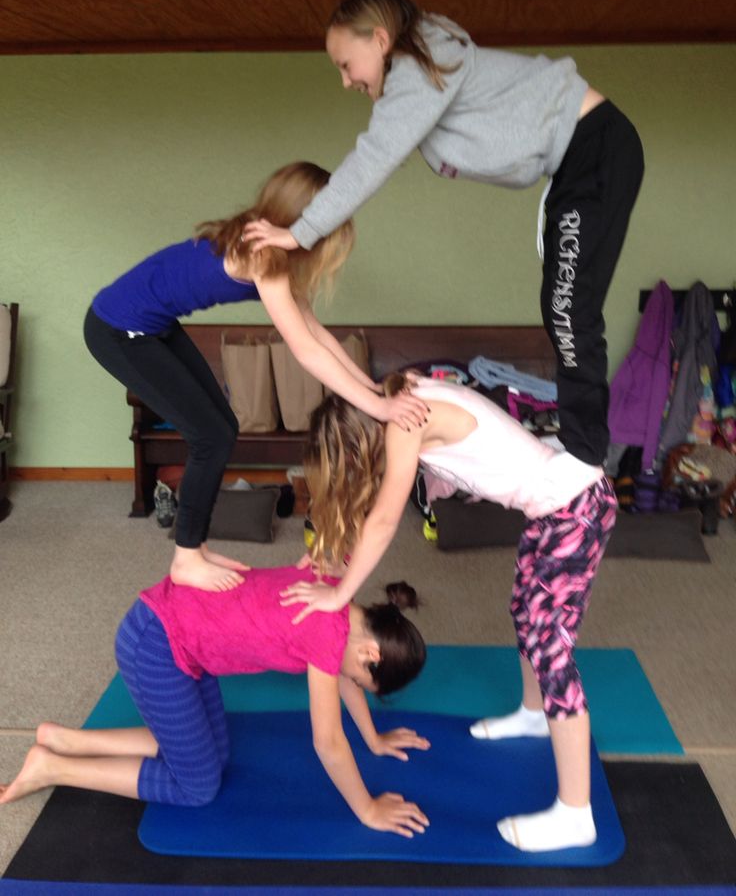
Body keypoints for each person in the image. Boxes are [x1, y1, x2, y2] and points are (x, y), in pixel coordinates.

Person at [243, 0, 645, 481]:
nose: (346, 81)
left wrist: (299, 233)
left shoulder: (418, 67)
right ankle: (580, 444)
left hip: (595, 150)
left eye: (346, 64)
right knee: (560, 304)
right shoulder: (423, 74)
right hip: (575, 164)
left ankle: (584, 459)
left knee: (568, 307)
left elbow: (373, 157)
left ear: (381, 40)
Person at [279, 375, 617, 852]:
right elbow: (373, 505)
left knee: (551, 649)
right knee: (524, 609)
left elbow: (385, 519)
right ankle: (534, 712)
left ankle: (575, 814)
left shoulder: (404, 425)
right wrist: (329, 560)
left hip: (575, 511)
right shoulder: (403, 400)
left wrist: (338, 596)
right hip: (557, 506)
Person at [84, 161, 428, 592]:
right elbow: (304, 350)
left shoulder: (266, 241)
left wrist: (371, 386)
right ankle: (187, 558)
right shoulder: (263, 257)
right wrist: (379, 406)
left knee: (222, 429)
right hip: (118, 331)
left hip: (152, 326)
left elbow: (316, 333)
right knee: (209, 436)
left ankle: (195, 546)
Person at [0, 565, 430, 838]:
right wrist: (368, 809)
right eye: (359, 677)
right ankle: (53, 766)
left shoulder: (338, 596)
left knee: (214, 753)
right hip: (155, 645)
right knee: (197, 786)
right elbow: (328, 743)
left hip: (179, 638)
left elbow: (344, 678)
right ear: (370, 654)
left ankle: (69, 740)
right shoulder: (326, 634)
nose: (349, 680)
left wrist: (373, 739)